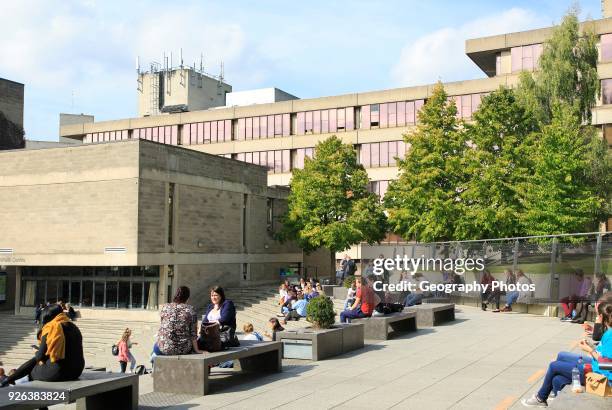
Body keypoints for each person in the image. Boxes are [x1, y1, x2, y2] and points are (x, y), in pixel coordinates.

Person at [521, 301, 612, 407]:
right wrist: (591, 347)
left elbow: (607, 365)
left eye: (597, 315)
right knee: (560, 362)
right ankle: (552, 392)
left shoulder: (610, 335)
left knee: (554, 366)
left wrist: (590, 350)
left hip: (601, 375)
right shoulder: (608, 332)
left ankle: (540, 397)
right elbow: (604, 352)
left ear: (601, 316)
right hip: (596, 365)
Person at [1, 305, 85, 387]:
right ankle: (11, 379)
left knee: (33, 370)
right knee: (37, 362)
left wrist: (36, 352)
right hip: (77, 371)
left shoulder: (51, 327)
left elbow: (39, 357)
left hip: (59, 373)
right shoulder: (74, 327)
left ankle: (11, 383)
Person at [153, 286, 203, 357]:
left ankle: (153, 360)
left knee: (155, 347)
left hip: (164, 347)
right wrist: (197, 350)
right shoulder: (191, 310)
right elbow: (193, 333)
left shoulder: (165, 307)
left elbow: (163, 326)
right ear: (187, 297)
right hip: (183, 348)